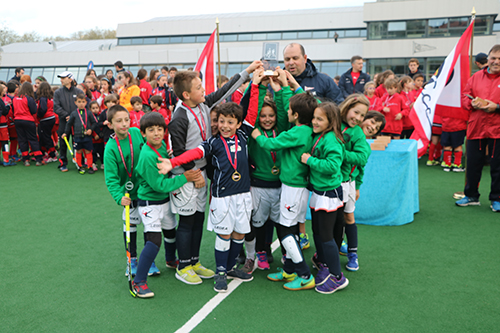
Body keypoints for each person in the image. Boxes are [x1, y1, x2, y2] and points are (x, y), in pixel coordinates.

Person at [168, 60, 261, 285]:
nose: (204, 91)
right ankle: (183, 266)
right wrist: (192, 173)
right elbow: (179, 150)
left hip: (201, 174)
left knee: (198, 220)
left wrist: (246, 72)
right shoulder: (179, 117)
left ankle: (195, 261)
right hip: (186, 176)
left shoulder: (203, 104)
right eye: (199, 88)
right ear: (187, 95)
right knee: (187, 221)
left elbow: (224, 89)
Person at [158, 102, 257, 293]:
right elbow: (194, 153)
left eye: (230, 122)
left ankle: (229, 269)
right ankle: (220, 272)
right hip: (222, 197)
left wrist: (255, 82)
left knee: (239, 234)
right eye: (221, 121)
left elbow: (251, 109)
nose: (225, 126)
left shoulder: (244, 135)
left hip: (243, 195)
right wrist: (173, 162)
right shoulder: (212, 142)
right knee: (225, 235)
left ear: (238, 123)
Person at [251, 93, 317, 291]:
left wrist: (256, 134)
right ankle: (289, 269)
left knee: (285, 231)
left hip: (293, 187)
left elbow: (270, 144)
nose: (285, 112)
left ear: (296, 115)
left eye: (288, 110)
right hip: (298, 187)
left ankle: (304, 274)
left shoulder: (298, 132)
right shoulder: (307, 130)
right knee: (292, 229)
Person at [134, 112, 202, 297]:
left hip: (164, 202)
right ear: (143, 133)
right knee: (154, 240)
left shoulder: (161, 145)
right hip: (150, 203)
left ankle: (171, 260)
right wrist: (184, 177)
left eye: (159, 129)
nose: (156, 133)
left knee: (171, 232)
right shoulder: (148, 155)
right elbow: (159, 185)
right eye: (151, 130)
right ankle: (139, 281)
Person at [301, 101, 349, 294]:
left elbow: (332, 167)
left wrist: (310, 160)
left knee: (327, 236)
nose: (314, 121)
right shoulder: (323, 135)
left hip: (328, 195)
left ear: (331, 121)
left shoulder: (331, 139)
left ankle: (337, 277)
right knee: (319, 233)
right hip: (321, 192)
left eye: (319, 119)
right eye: (314, 117)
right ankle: (324, 263)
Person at [244, 69, 289, 272]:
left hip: (280, 185)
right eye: (263, 116)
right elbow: (252, 113)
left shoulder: (281, 130)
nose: (268, 119)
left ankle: (286, 253)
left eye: (271, 115)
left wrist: (279, 90)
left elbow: (283, 110)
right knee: (258, 223)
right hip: (258, 185)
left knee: (280, 223)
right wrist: (261, 87)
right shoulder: (254, 131)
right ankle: (259, 252)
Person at [456, 44, 500, 212]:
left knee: (498, 166)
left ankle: (497, 198)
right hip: (476, 128)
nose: (496, 62)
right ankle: (471, 195)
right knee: (473, 164)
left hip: (497, 129)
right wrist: (471, 102)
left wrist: (496, 107)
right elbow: (464, 96)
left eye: (499, 59)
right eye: (493, 58)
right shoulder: (475, 77)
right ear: (487, 59)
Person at [337, 94, 370, 273]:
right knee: (331, 220)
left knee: (348, 217)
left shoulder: (357, 133)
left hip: (346, 183)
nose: (357, 118)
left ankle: (352, 253)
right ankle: (329, 252)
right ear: (347, 107)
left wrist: (357, 185)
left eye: (362, 116)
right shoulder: (333, 120)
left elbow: (362, 159)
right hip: (327, 183)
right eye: (356, 112)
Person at [54, 71, 84, 172]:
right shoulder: (58, 92)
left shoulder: (79, 92)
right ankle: (63, 163)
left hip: (77, 122)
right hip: (64, 121)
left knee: (78, 142)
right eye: (61, 78)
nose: (61, 80)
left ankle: (80, 162)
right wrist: (66, 115)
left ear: (70, 79)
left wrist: (74, 116)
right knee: (63, 143)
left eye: (64, 78)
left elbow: (84, 105)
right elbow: (56, 107)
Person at [61, 94, 96, 174]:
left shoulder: (89, 113)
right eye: (79, 102)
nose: (81, 104)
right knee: (79, 151)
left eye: (83, 102)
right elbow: (69, 124)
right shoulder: (73, 113)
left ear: (86, 102)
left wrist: (91, 129)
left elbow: (94, 123)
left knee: (88, 151)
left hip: (87, 136)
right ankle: (79, 166)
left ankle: (90, 167)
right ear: (75, 102)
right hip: (77, 136)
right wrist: (65, 133)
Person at [12, 82, 44, 166]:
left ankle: (25, 159)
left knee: (22, 140)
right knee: (33, 139)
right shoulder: (29, 98)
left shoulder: (15, 98)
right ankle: (38, 159)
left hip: (17, 120)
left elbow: (13, 110)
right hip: (28, 120)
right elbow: (33, 110)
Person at [36, 82, 57, 163]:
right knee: (44, 136)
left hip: (45, 119)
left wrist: (38, 115)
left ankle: (52, 154)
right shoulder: (50, 98)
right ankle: (46, 152)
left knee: (46, 137)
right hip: (51, 117)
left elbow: (43, 109)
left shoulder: (43, 98)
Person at [89, 101, 104, 171]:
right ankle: (93, 163)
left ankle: (103, 163)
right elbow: (90, 127)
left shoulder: (101, 115)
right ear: (90, 109)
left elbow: (103, 126)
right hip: (93, 139)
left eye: (96, 108)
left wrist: (101, 134)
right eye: (93, 108)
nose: (95, 109)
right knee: (93, 152)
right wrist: (94, 134)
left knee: (102, 151)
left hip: (101, 138)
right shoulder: (90, 117)